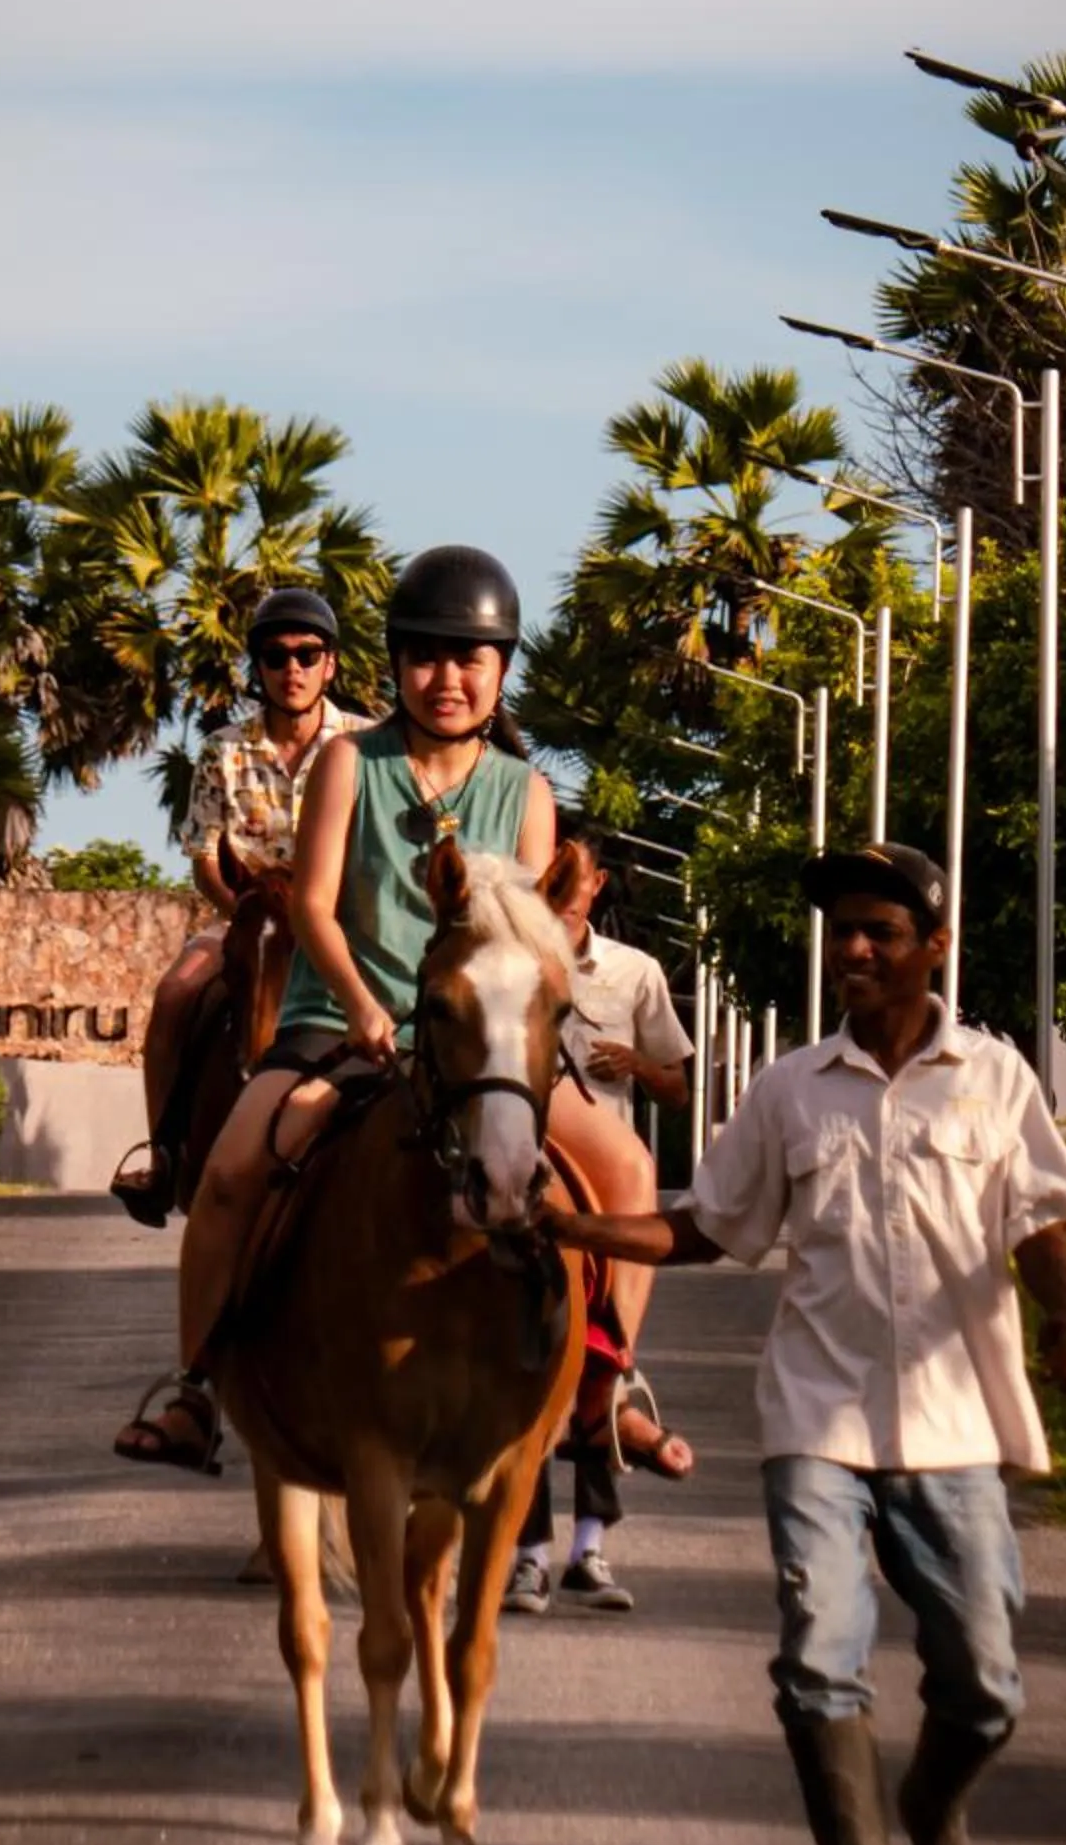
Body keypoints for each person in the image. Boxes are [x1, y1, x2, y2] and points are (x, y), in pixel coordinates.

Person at [540, 840, 1066, 1845]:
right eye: (839, 930)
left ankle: (931, 1810)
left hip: (952, 1421)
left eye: (876, 932)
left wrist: (1065, 1319)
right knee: (816, 1648)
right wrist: (573, 1228)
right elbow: (709, 1224)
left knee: (984, 1679)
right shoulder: (791, 1090)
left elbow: (1037, 1217)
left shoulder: (993, 1078)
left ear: (931, 948)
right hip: (816, 1417)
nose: (850, 949)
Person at [114, 545, 668, 1473]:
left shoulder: (526, 793)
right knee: (231, 1171)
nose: (446, 679)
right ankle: (197, 1386)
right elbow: (315, 906)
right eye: (426, 656)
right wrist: (364, 1005)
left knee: (626, 1166)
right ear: (396, 663)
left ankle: (604, 1389)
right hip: (339, 1027)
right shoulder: (346, 763)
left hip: (480, 1044)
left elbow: (528, 938)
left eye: (470, 660)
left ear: (500, 672)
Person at [111, 588, 366, 1234]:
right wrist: (251, 915)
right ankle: (164, 1154)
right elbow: (203, 857)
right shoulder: (222, 751)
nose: (293, 668)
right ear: (258, 667)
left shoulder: (368, 745)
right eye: (277, 656)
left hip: (340, 926)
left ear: (330, 664)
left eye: (308, 654)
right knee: (175, 994)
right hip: (249, 916)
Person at [505, 822, 694, 1616]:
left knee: (591, 1356)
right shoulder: (506, 952)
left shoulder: (636, 974)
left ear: (595, 887)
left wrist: (639, 1067)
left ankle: (589, 1543)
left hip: (603, 1161)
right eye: (544, 868)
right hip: (522, 1130)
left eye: (570, 874)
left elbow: (678, 1089)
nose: (558, 884)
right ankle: (527, 1553)